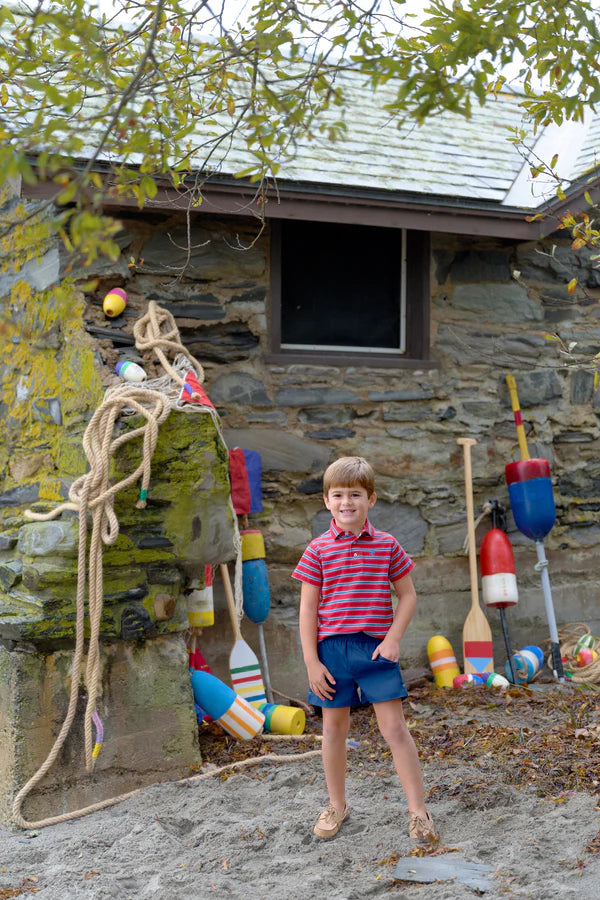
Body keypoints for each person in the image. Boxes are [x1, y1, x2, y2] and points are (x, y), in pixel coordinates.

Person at [293, 456, 437, 843]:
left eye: (355, 494)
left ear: (370, 499)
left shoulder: (388, 545)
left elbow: (407, 596)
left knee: (394, 729)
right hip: (331, 652)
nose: (346, 502)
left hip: (375, 650)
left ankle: (418, 811)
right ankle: (337, 806)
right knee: (333, 730)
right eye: (338, 495)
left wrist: (392, 639)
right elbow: (308, 609)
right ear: (326, 501)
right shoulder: (317, 550)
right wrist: (311, 661)